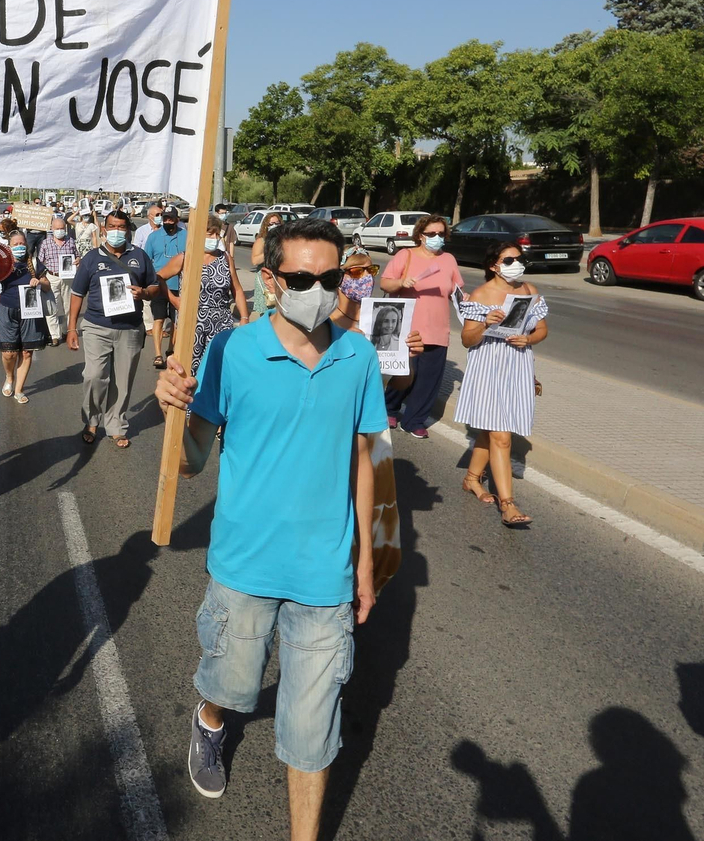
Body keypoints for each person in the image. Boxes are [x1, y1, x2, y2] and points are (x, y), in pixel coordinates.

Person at [154, 217, 386, 840]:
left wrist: (368, 560)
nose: (318, 288)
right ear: (272, 281)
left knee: (312, 736)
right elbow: (192, 461)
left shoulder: (358, 355)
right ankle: (208, 722)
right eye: (302, 277)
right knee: (230, 688)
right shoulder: (232, 351)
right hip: (244, 567)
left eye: (330, 277)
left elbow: (364, 459)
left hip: (324, 576)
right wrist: (171, 411)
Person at [455, 241, 550, 528]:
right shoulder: (481, 295)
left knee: (490, 429)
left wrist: (529, 339)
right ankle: (508, 504)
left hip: (517, 363)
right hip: (489, 365)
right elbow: (467, 340)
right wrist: (484, 323)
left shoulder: (529, 291)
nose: (516, 264)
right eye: (509, 260)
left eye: (519, 259)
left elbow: (542, 329)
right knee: (501, 436)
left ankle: (472, 479)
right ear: (493, 265)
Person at [66, 210, 161, 449]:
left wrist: (145, 293)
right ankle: (91, 421)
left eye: (121, 227)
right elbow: (77, 294)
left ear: (127, 229)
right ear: (104, 228)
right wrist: (71, 328)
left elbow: (154, 285)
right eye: (112, 226)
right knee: (94, 375)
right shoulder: (91, 258)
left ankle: (116, 425)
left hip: (130, 329)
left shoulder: (139, 256)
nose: (117, 231)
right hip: (97, 326)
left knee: (123, 380)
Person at [378, 214, 464, 438]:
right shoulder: (405, 255)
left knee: (428, 380)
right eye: (431, 234)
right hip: (408, 328)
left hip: (437, 329)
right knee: (403, 373)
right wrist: (401, 282)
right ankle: (389, 409)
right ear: (420, 235)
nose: (437, 237)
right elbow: (385, 282)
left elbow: (458, 291)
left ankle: (414, 420)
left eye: (441, 234)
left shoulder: (449, 260)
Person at [157, 214, 248, 372]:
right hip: (192, 321)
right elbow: (159, 278)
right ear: (199, 235)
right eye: (209, 234)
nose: (214, 238)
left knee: (220, 368)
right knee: (190, 368)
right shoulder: (185, 258)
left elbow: (237, 289)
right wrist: (173, 300)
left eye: (217, 234)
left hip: (221, 321)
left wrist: (244, 318)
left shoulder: (225, 258)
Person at [0, 230, 48, 403]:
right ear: (9, 247)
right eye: (15, 244)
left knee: (26, 353)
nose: (19, 247)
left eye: (22, 244)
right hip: (8, 309)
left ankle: (19, 389)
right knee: (9, 353)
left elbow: (47, 285)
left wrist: (39, 281)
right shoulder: (3, 263)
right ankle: (9, 377)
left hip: (31, 311)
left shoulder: (33, 262)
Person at [144, 205, 188, 368]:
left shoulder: (186, 236)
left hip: (179, 285)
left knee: (176, 320)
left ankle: (171, 350)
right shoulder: (153, 237)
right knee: (158, 318)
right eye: (165, 218)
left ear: (177, 220)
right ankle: (157, 353)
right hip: (158, 284)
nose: (168, 221)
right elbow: (147, 260)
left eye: (171, 218)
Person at [35, 214, 78, 346]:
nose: (60, 230)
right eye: (57, 228)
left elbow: (77, 255)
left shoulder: (70, 241)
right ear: (52, 229)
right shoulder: (45, 243)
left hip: (68, 278)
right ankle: (54, 335)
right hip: (52, 277)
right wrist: (41, 276)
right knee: (51, 306)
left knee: (68, 306)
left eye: (62, 228)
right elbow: (40, 261)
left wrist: (78, 261)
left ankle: (66, 331)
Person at [249, 212, 286, 318]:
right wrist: (270, 250)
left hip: (280, 277)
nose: (274, 226)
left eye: (276, 223)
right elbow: (255, 261)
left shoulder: (284, 240)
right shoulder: (261, 241)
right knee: (267, 310)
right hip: (266, 279)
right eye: (270, 224)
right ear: (266, 226)